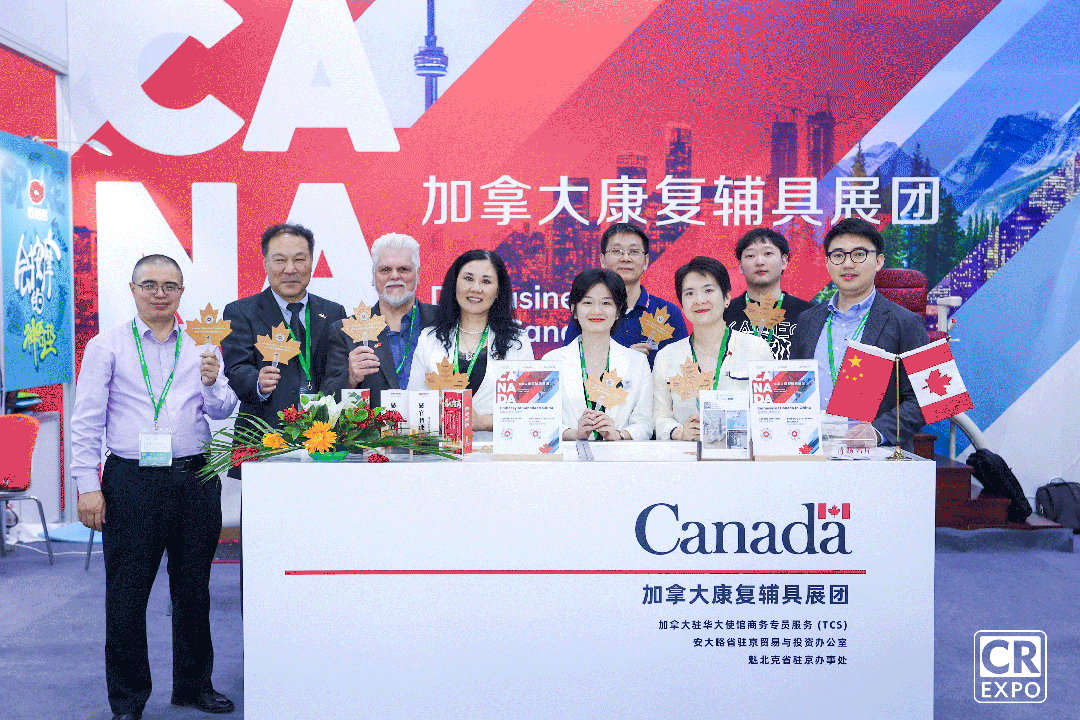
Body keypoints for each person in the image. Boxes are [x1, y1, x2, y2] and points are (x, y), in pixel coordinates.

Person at [71, 255, 238, 720]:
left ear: (182, 291)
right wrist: (87, 485)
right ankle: (127, 700)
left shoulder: (202, 345)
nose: (159, 294)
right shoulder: (107, 346)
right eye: (149, 285)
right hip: (131, 481)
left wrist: (212, 382)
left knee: (194, 590)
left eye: (169, 285)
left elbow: (223, 408)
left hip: (195, 478)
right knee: (127, 595)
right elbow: (86, 420)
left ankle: (193, 686)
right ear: (132, 289)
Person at [789, 217, 931, 450]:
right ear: (827, 263)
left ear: (879, 261)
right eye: (838, 255)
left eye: (859, 254)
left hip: (875, 455)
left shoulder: (907, 322)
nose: (847, 264)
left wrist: (878, 431)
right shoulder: (807, 321)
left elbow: (929, 396)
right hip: (812, 450)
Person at [221, 224, 346, 450]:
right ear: (265, 263)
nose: (290, 269)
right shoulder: (240, 312)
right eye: (280, 260)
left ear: (311, 262)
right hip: (263, 439)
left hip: (323, 438)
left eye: (299, 259)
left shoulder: (333, 312)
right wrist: (257, 382)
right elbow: (236, 368)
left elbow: (337, 372)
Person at [408, 249, 533, 430]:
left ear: (498, 291)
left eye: (486, 281)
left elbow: (529, 412)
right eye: (468, 278)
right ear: (454, 284)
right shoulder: (429, 338)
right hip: (441, 445)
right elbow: (414, 403)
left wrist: (483, 421)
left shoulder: (517, 343)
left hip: (496, 445)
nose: (475, 288)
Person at [654, 256, 773, 441]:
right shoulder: (666, 356)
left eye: (708, 290)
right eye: (690, 293)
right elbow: (659, 415)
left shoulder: (757, 349)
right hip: (686, 453)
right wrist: (679, 432)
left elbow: (770, 411)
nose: (699, 300)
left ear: (727, 298)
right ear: (682, 304)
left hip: (742, 453)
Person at [321, 233, 439, 407]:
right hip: (375, 425)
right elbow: (327, 401)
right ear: (373, 276)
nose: (394, 276)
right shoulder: (345, 331)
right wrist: (351, 378)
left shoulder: (443, 321)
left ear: (418, 274)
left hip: (433, 423)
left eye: (403, 269)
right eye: (385, 270)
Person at [542, 269, 653, 441]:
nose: (596, 311)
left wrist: (618, 434)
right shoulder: (551, 361)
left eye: (606, 303)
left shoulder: (637, 362)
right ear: (574, 310)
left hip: (619, 456)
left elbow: (645, 424)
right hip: (568, 456)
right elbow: (541, 422)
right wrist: (575, 433)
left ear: (618, 311)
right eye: (587, 303)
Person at [564, 223, 687, 366]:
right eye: (617, 251)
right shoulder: (590, 313)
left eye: (634, 251)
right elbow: (570, 364)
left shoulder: (668, 313)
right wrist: (621, 359)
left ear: (646, 261)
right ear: (603, 260)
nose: (626, 258)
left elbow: (685, 365)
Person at [724, 227, 813, 360]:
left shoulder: (808, 314)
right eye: (750, 256)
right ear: (740, 266)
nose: (759, 262)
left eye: (768, 253)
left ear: (784, 261)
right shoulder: (724, 314)